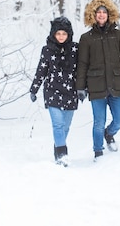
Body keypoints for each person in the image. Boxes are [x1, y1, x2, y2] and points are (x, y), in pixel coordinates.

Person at [76, 0, 120, 160]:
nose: (101, 15)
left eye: (104, 12)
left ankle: (110, 133)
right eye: (98, 12)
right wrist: (80, 87)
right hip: (96, 85)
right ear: (93, 15)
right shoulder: (86, 39)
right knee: (98, 122)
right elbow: (82, 64)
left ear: (109, 15)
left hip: (116, 83)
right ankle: (98, 152)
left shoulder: (117, 35)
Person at [29, 16, 84, 167]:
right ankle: (62, 155)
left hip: (71, 92)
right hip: (52, 91)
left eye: (64, 34)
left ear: (69, 34)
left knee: (65, 127)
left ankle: (58, 146)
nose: (61, 37)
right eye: (58, 33)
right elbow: (41, 70)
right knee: (58, 125)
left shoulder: (75, 49)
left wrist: (82, 89)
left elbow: (82, 70)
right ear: (53, 34)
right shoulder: (47, 50)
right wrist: (34, 89)